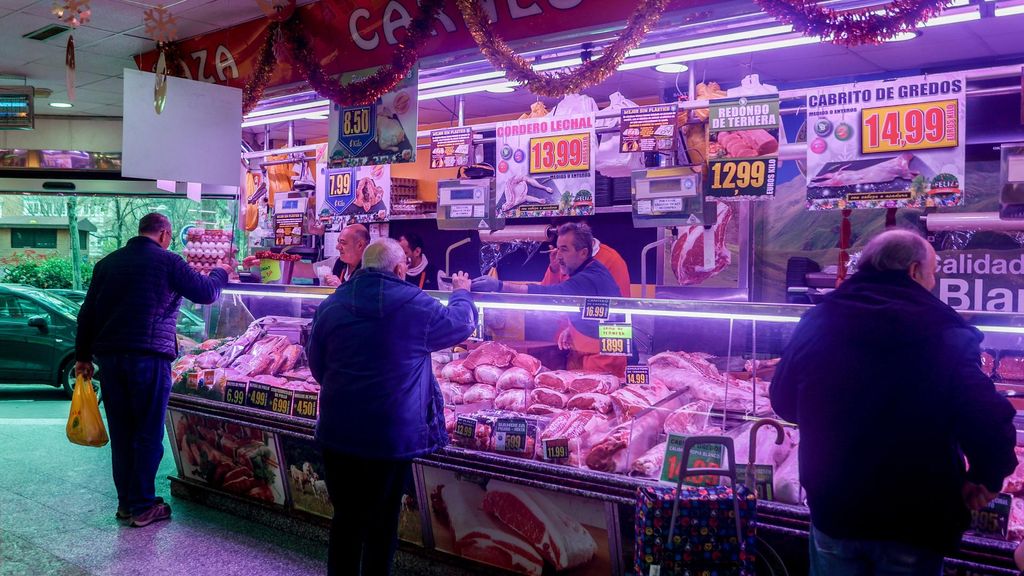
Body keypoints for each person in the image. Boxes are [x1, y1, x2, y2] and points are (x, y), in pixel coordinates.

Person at [770, 229, 1018, 575]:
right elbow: (987, 419)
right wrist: (987, 476)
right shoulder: (945, 332)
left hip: (835, 509)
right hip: (912, 519)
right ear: (915, 271)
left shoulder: (819, 320)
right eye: (933, 272)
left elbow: (783, 401)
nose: (932, 282)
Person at [307, 238, 476, 576]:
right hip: (390, 435)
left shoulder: (333, 303)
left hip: (338, 431)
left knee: (346, 520)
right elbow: (462, 325)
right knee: (383, 523)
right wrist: (461, 292)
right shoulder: (416, 302)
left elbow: (316, 365)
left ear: (365, 267)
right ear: (401, 269)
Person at [76, 213, 231, 527]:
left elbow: (87, 313)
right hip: (148, 358)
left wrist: (83, 357)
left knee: (123, 434)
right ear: (164, 234)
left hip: (111, 360)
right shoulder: (168, 261)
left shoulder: (107, 263)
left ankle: (127, 504)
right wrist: (221, 273)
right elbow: (206, 293)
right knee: (147, 433)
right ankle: (144, 505)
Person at [472, 222, 625, 375]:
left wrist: (499, 286)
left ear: (583, 253)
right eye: (558, 248)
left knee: (595, 398)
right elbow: (590, 310)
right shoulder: (591, 268)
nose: (558, 256)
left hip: (604, 358)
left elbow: (546, 294)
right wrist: (573, 327)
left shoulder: (589, 277)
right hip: (590, 351)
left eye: (564, 250)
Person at [243, 224, 369, 287]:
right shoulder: (335, 263)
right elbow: (302, 270)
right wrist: (266, 260)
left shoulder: (372, 270)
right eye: (338, 242)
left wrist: (342, 288)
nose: (337, 247)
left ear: (360, 245)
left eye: (343, 243)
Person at [541, 229, 630, 297]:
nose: (559, 254)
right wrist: (554, 270)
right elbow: (543, 298)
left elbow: (621, 305)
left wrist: (528, 289)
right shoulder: (559, 258)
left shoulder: (611, 259)